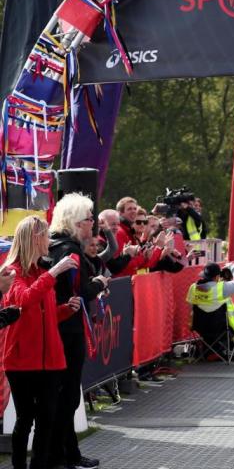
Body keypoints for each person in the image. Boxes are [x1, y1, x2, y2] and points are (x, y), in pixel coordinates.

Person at [3, 216, 82, 469]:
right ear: (34, 238)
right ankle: (18, 466)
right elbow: (24, 300)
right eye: (45, 235)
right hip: (22, 359)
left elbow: (42, 315)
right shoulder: (12, 271)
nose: (49, 241)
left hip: (50, 359)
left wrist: (64, 310)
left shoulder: (40, 270)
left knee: (47, 419)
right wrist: (54, 272)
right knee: (25, 418)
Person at [47, 193, 108, 469]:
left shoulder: (55, 246)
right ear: (75, 222)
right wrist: (99, 283)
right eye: (88, 219)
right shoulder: (68, 249)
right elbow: (81, 292)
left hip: (60, 326)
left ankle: (68, 453)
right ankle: (60, 454)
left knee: (66, 396)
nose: (92, 224)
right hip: (67, 330)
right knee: (68, 396)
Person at [186, 262, 234, 360]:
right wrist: (232, 266)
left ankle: (212, 351)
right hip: (220, 329)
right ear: (216, 277)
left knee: (212, 322)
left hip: (199, 328)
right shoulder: (221, 288)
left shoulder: (193, 288)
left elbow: (191, 307)